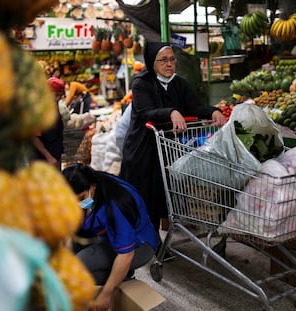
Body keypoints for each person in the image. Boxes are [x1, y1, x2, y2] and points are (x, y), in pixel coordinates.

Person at [119, 42, 226, 249]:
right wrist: (170, 112)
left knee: (165, 194)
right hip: (143, 150)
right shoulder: (141, 83)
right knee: (146, 198)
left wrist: (212, 111)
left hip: (167, 148)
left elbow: (193, 105)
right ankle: (152, 243)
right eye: (163, 60)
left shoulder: (179, 84)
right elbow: (144, 112)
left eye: (172, 59)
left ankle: (159, 234)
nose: (169, 64)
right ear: (152, 62)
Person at [62, 164, 159, 311]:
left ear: (92, 187)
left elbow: (125, 255)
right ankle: (121, 277)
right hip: (105, 235)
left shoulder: (117, 204)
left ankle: (119, 280)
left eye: (81, 198)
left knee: (82, 263)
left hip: (139, 246)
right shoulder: (91, 185)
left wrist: (106, 294)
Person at [31, 76, 65, 170]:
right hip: (42, 160)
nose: (57, 99)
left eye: (59, 95)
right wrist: (49, 157)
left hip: (54, 157)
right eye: (55, 95)